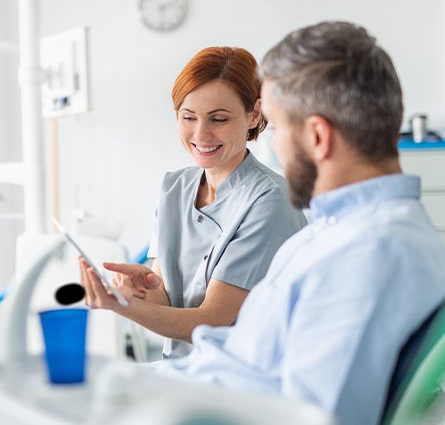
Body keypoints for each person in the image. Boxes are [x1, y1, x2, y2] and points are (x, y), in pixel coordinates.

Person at [146, 22, 444, 425]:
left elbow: (314, 416)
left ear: (318, 137)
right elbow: (244, 355)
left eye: (278, 128)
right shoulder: (338, 233)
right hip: (188, 391)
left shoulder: (370, 254)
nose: (275, 145)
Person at [80, 46, 307, 359]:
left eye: (219, 119)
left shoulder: (270, 200)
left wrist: (125, 307)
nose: (201, 134)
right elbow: (166, 298)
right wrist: (140, 291)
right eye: (188, 117)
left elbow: (212, 322)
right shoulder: (174, 187)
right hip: (183, 371)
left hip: (241, 380)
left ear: (254, 114)